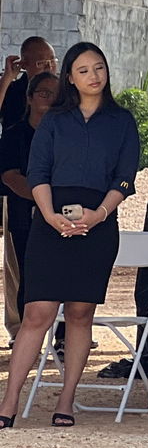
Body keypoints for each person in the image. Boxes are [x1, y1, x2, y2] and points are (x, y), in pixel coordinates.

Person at [0, 43, 139, 428]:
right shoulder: (55, 121)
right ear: (70, 78)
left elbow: (126, 177)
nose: (93, 76)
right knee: (37, 313)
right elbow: (37, 171)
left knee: (80, 314)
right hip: (50, 218)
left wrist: (99, 215)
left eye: (99, 68)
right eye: (83, 70)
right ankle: (9, 402)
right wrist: (48, 215)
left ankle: (66, 401)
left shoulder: (122, 120)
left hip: (99, 219)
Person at [0, 73, 58, 342]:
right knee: (27, 273)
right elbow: (10, 176)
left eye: (55, 95)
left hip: (61, 213)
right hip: (25, 213)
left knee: (64, 274)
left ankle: (62, 336)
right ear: (30, 97)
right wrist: (41, 199)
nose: (50, 99)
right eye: (44, 93)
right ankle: (25, 334)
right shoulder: (14, 135)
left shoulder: (65, 135)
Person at [0, 36, 57, 132]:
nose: (49, 67)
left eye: (52, 61)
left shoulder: (62, 91)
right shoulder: (12, 90)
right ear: (24, 64)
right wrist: (6, 78)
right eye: (41, 63)